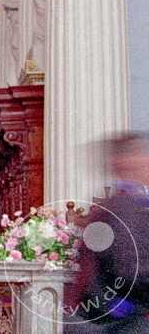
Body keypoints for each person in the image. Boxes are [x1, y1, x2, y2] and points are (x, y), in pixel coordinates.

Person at [69, 133, 149, 332]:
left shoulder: (122, 203)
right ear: (125, 161)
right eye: (140, 154)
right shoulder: (123, 206)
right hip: (119, 319)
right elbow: (130, 269)